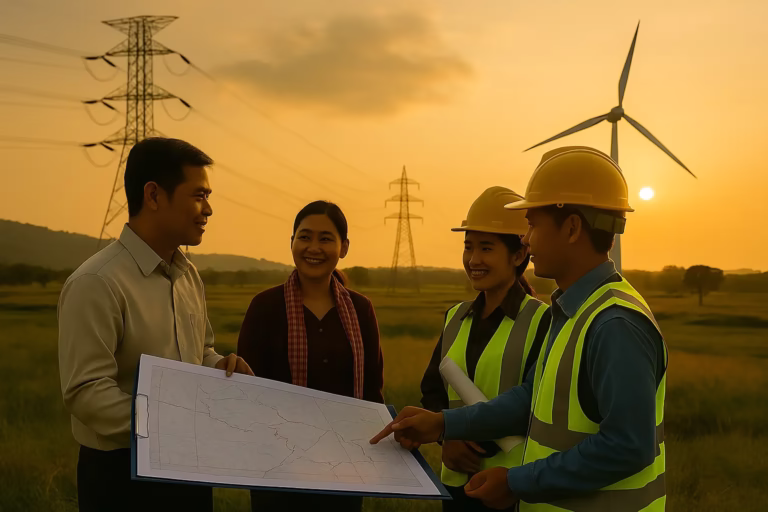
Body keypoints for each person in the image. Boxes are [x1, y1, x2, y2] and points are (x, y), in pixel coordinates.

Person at [371, 146, 668, 512]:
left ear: (572, 228)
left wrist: (517, 482)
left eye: (532, 225)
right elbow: (531, 397)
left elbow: (627, 446)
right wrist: (444, 424)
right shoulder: (573, 310)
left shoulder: (615, 324)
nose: (525, 240)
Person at [58, 137, 254, 512]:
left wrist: (220, 366)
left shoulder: (188, 275)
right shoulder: (97, 282)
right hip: (121, 475)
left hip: (188, 464)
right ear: (153, 195)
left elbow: (200, 351)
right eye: (198, 195)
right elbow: (86, 391)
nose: (208, 209)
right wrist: (166, 422)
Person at [237, 200, 384, 512]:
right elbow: (246, 392)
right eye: (304, 237)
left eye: (326, 239)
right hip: (276, 467)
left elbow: (372, 391)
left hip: (344, 466)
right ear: (292, 242)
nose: (313, 247)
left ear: (344, 247)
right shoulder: (265, 307)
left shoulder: (361, 309)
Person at [420, 186, 550, 511]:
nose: (473, 259)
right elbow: (432, 391)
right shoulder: (455, 317)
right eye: (468, 247)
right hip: (457, 487)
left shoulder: (543, 321)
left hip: (510, 489)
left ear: (519, 255)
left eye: (486, 248)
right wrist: (446, 438)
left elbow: (539, 406)